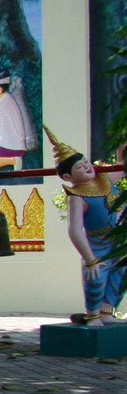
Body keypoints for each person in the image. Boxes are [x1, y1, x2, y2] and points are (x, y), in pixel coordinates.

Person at [46, 128, 126, 324]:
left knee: (121, 273)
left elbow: (121, 167)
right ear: (68, 177)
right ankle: (93, 315)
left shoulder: (105, 179)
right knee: (95, 277)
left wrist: (121, 152)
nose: (87, 167)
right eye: (80, 167)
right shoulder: (77, 196)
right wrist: (90, 258)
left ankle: (107, 311)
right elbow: (75, 230)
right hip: (97, 244)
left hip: (117, 240)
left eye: (86, 162)